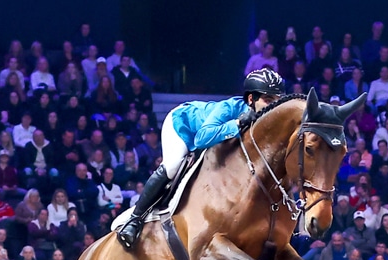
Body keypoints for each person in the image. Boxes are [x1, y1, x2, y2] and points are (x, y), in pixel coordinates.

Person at [115, 69, 285, 249]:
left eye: (276, 100)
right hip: (183, 125)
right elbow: (201, 138)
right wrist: (237, 123)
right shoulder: (229, 108)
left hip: (209, 143)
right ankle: (134, 220)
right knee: (173, 166)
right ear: (251, 99)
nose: (272, 106)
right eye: (267, 100)